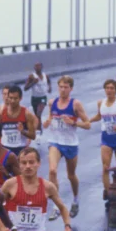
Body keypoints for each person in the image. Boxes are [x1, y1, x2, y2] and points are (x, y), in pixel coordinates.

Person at [43, 75, 90, 218]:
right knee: (52, 171)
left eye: (66, 87)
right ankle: (58, 206)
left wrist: (73, 122)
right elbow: (51, 117)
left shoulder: (75, 104)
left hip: (70, 143)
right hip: (55, 141)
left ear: (71, 89)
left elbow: (87, 124)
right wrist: (47, 122)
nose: (63, 90)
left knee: (71, 175)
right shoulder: (52, 102)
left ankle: (75, 199)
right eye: (61, 87)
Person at [0, 85, 37, 155]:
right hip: (5, 149)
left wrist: (22, 131)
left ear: (20, 98)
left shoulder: (26, 114)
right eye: (11, 98)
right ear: (7, 98)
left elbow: (33, 136)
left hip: (20, 149)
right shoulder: (1, 113)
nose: (13, 101)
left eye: (15, 98)